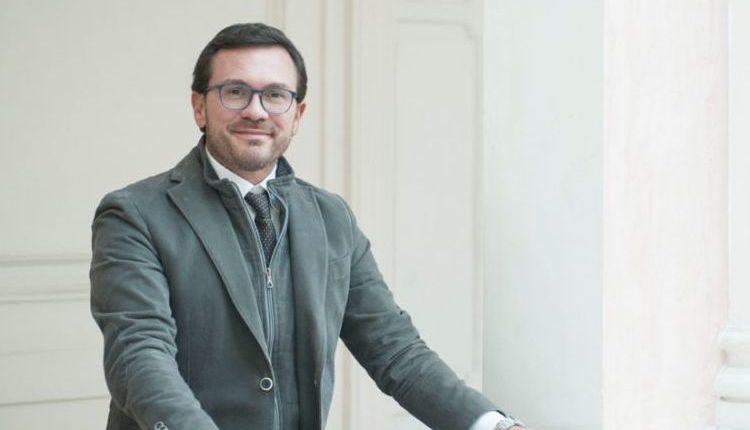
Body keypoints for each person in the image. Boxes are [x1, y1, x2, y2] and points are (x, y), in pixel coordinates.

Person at [90, 22, 527, 430]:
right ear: (199, 107)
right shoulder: (134, 214)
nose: (256, 111)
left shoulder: (332, 218)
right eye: (235, 92)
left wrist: (492, 425)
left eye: (275, 95)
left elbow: (397, 352)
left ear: (297, 114)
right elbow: (140, 356)